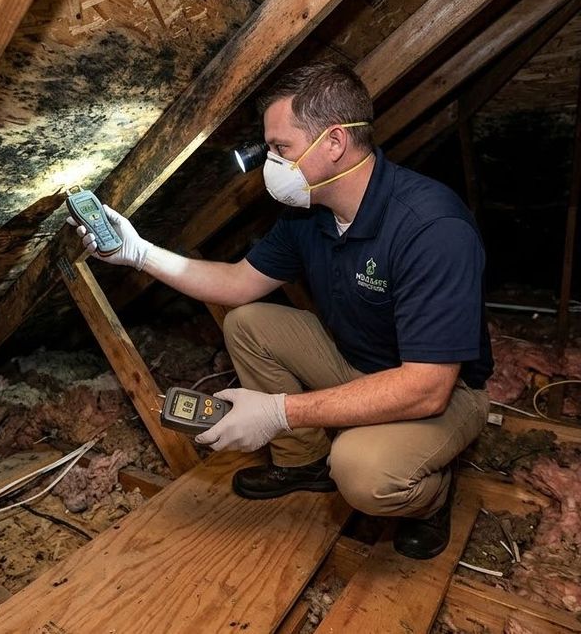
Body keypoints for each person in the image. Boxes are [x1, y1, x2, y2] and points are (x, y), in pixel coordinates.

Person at [69, 62, 493, 560]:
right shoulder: (308, 214)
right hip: (357, 359)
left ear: (333, 143)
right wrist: (139, 253)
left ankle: (431, 498)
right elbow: (235, 284)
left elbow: (426, 388)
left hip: (446, 389)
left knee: (360, 471)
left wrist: (277, 413)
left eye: (279, 148)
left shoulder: (430, 227)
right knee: (250, 323)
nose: (269, 162)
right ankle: (302, 463)